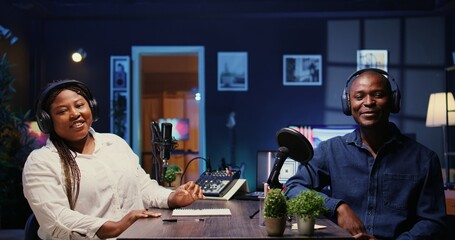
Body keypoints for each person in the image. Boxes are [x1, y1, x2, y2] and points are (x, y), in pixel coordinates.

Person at [22, 79, 205, 240]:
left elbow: (142, 188)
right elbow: (57, 218)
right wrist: (116, 227)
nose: (74, 114)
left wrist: (172, 197)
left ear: (91, 107)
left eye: (79, 105)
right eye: (62, 111)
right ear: (47, 121)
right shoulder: (41, 162)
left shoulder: (115, 143)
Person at [283, 68, 447, 239]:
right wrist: (337, 207)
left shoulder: (425, 160)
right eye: (359, 96)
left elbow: (434, 223)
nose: (368, 102)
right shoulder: (330, 150)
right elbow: (291, 188)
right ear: (348, 104)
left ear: (393, 101)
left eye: (377, 94)